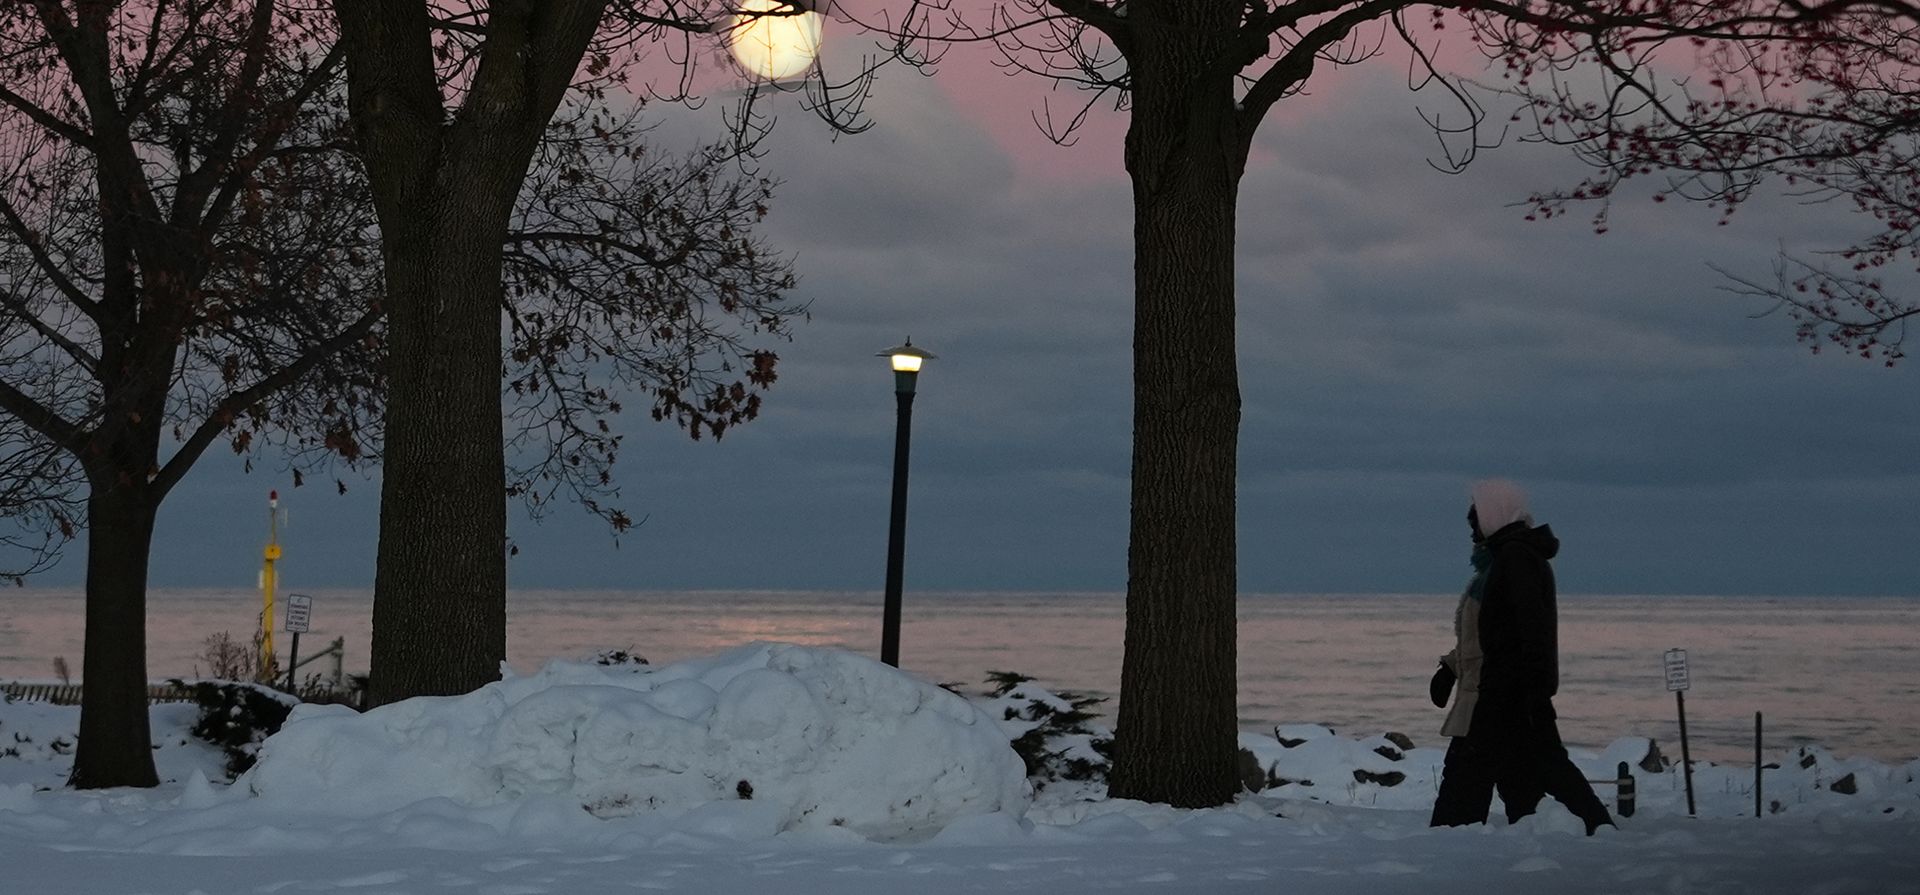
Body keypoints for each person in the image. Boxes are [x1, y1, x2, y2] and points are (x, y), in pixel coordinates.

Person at [1428, 478, 1615, 834]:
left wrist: (1521, 690)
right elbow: (1484, 635)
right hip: (1497, 695)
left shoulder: (1516, 561)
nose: (1471, 529)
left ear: (1494, 515)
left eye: (1475, 519)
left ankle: (1595, 832)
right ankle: (1572, 832)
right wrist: (1450, 668)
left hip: (1505, 697)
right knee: (1528, 783)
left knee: (1504, 776)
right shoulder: (1497, 563)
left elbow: (1527, 633)